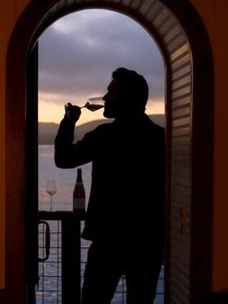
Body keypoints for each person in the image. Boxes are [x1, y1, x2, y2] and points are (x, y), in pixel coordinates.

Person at [55, 67, 165, 304]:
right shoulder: (160, 138)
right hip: (148, 242)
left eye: (111, 92)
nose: (104, 98)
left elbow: (63, 159)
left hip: (108, 240)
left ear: (128, 98)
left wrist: (68, 122)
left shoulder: (105, 136)